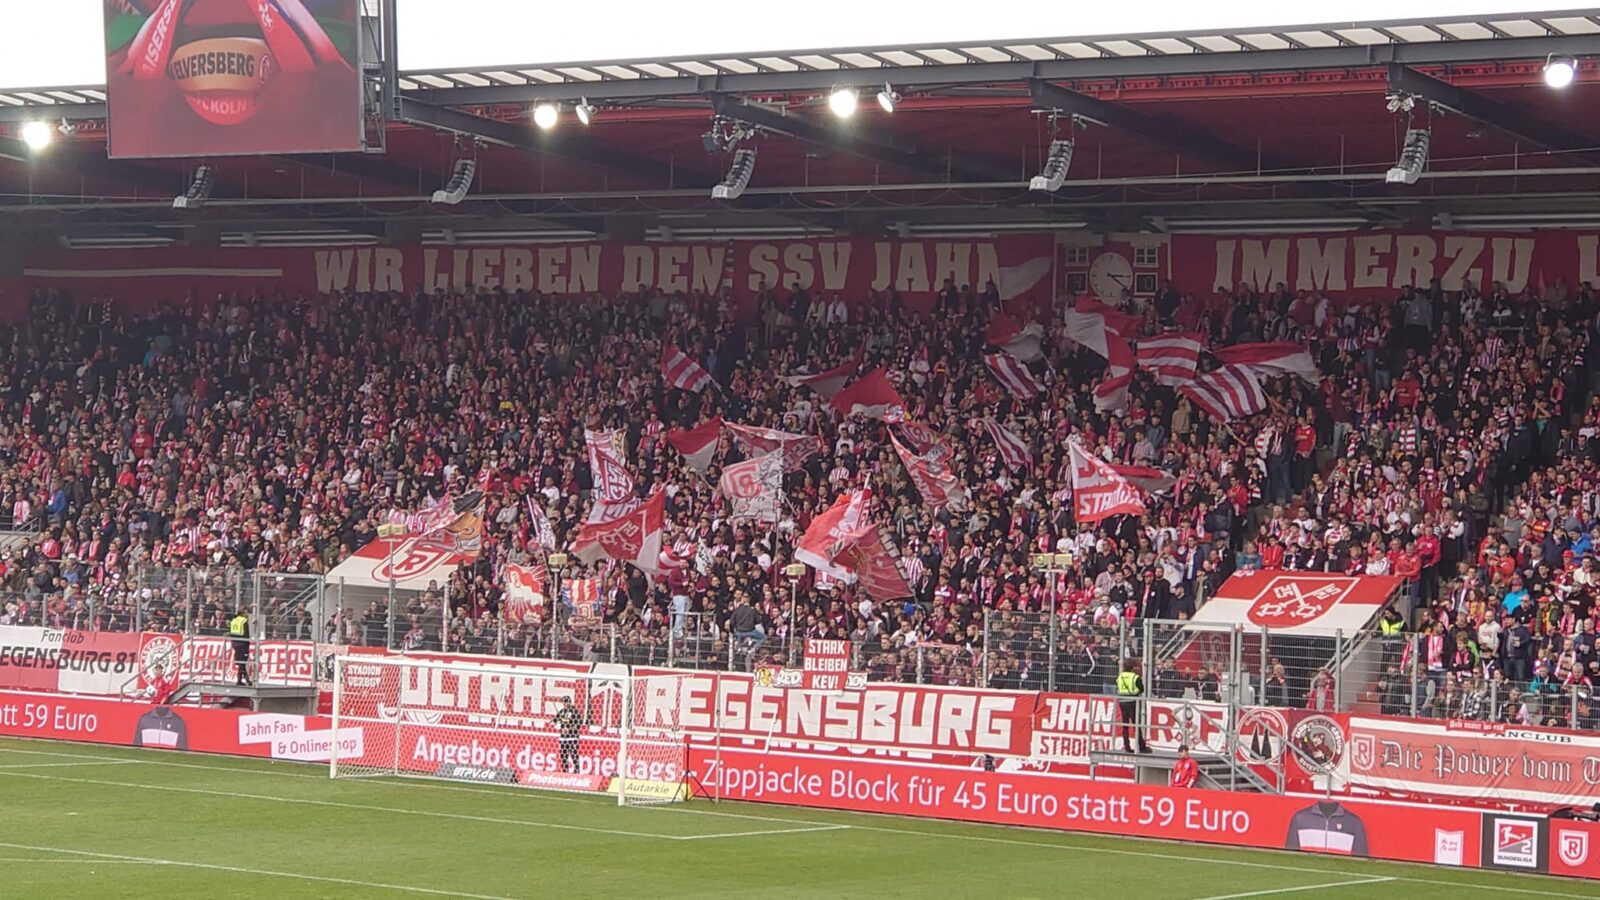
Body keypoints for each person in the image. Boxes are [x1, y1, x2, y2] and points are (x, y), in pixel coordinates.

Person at [1116, 657, 1150, 753]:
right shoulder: (1135, 677)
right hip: (1132, 701)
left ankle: (1126, 746)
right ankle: (1141, 747)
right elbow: (1141, 689)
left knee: (1125, 725)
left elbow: (1118, 686)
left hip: (1122, 701)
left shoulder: (1120, 676)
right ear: (1132, 667)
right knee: (1136, 724)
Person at [555, 696, 583, 774]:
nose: (565, 704)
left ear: (570, 702)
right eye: (564, 702)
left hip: (572, 738)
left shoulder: (575, 712)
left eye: (567, 702)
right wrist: (553, 722)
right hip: (563, 738)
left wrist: (569, 729)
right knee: (564, 757)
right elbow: (555, 719)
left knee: (574, 756)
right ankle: (565, 773)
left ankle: (576, 772)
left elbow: (579, 724)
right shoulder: (562, 711)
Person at [228, 608, 252, 685]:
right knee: (242, 662)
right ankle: (243, 679)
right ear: (243, 613)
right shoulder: (244, 621)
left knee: (241, 662)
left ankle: (242, 679)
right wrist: (248, 643)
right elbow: (247, 633)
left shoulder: (233, 620)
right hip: (243, 644)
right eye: (246, 613)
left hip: (235, 643)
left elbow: (230, 632)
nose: (247, 614)